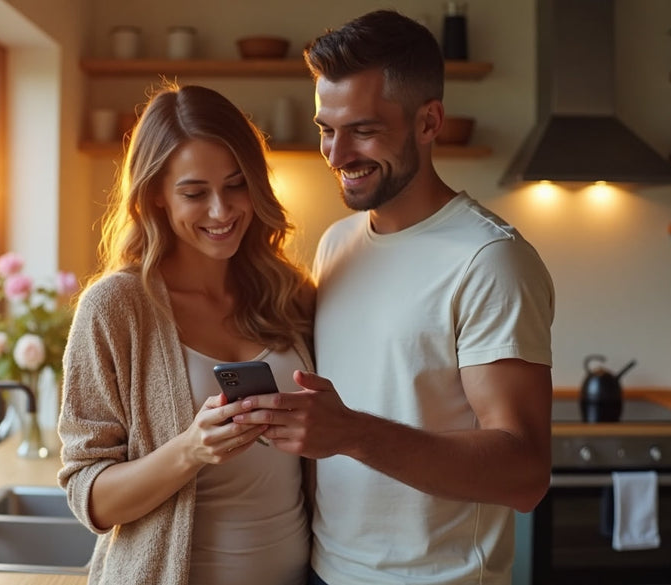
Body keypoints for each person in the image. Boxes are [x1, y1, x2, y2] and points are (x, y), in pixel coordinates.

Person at [235, 10, 556, 585]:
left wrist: (353, 432)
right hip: (327, 571)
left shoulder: (489, 260)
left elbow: (524, 473)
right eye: (325, 129)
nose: (335, 155)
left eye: (363, 130)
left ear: (429, 121)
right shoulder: (337, 244)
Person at [56, 83, 315, 585]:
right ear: (155, 194)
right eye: (195, 193)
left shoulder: (289, 293)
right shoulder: (115, 308)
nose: (222, 211)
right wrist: (191, 449)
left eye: (237, 185)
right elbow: (89, 497)